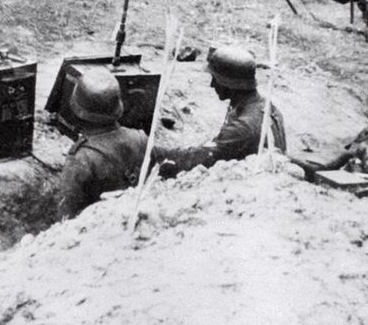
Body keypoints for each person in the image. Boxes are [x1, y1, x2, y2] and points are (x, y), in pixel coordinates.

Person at [152, 44, 287, 176]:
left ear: (229, 82)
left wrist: (152, 152)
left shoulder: (243, 127)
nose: (212, 85)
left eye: (215, 79)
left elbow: (198, 160)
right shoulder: (266, 106)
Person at [57, 70, 148, 220]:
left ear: (77, 109)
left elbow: (65, 217)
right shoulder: (140, 139)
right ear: (118, 107)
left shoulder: (81, 158)